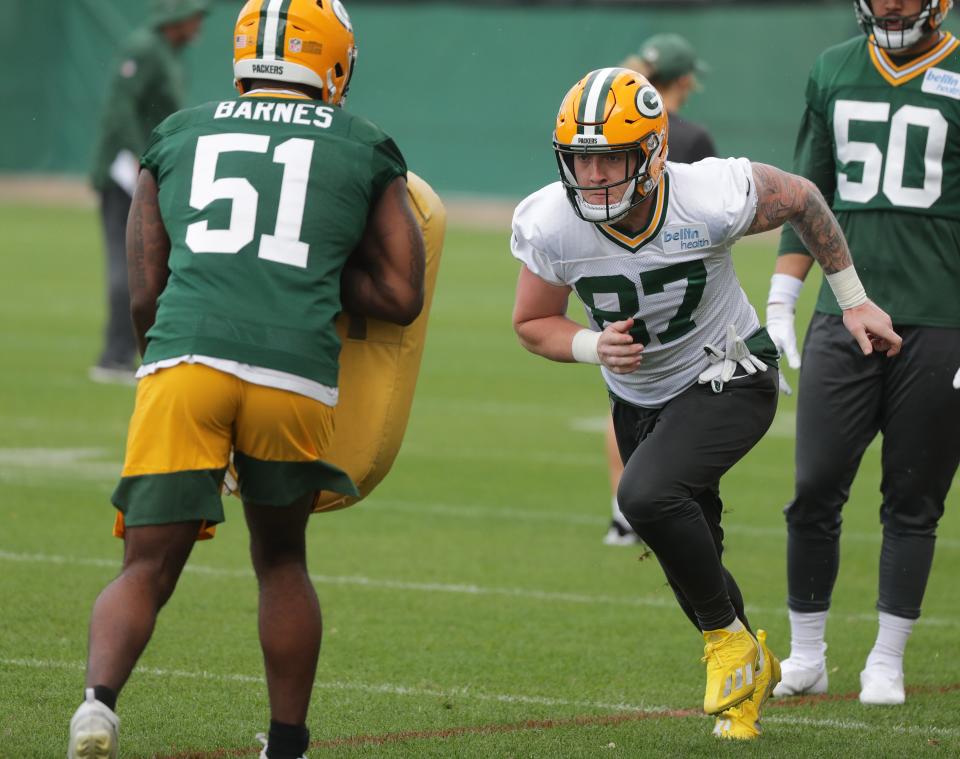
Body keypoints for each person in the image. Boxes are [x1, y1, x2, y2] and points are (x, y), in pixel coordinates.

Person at [67, 1, 426, 758]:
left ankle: (97, 706)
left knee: (145, 563)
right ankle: (287, 742)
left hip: (183, 357)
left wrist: (159, 361)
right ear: (333, 60)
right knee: (281, 559)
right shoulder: (363, 145)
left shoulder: (179, 131)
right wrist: (319, 275)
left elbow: (145, 288)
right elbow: (400, 296)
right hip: (291, 367)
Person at [510, 67, 901, 739]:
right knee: (696, 560)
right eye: (583, 157)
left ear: (654, 152)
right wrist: (590, 346)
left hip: (731, 370)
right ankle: (747, 670)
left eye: (611, 156)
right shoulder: (551, 221)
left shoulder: (709, 193)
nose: (595, 173)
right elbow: (532, 321)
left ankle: (727, 643)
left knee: (643, 495)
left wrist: (853, 297)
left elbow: (804, 198)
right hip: (640, 397)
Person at [767, 0, 960, 707]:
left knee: (914, 497)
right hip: (843, 314)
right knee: (814, 485)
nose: (892, 5)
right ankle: (808, 652)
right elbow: (802, 198)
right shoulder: (833, 70)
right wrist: (784, 300)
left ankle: (887, 656)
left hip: (942, 320)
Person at [603, 33, 719, 546]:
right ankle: (677, 507)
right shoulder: (690, 137)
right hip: (677, 293)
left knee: (624, 395)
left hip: (613, 284)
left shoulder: (607, 132)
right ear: (685, 79)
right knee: (692, 405)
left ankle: (621, 512)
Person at [88, 0, 208, 384]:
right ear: (176, 17)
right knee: (132, 263)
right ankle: (115, 356)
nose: (199, 23)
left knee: (151, 262)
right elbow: (119, 110)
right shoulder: (143, 47)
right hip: (126, 173)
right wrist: (145, 160)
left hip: (147, 172)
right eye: (195, 15)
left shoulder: (169, 52)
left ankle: (135, 352)